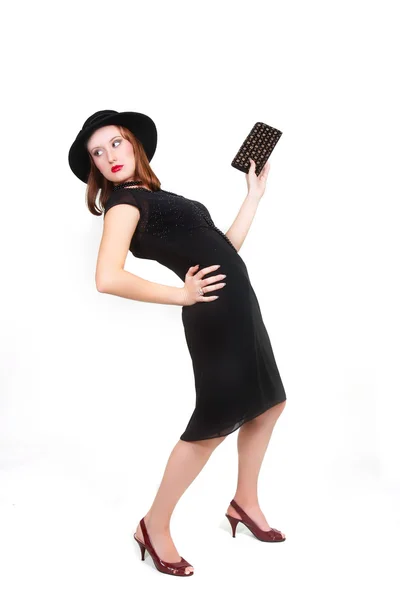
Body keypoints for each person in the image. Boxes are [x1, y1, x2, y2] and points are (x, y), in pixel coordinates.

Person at [68, 110, 287, 577]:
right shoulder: (124, 203)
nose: (109, 156)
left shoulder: (160, 195)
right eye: (97, 153)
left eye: (116, 143)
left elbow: (224, 249)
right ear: (95, 167)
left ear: (135, 145)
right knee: (213, 425)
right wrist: (181, 295)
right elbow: (107, 278)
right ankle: (153, 524)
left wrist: (253, 197)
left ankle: (244, 502)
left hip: (241, 307)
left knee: (269, 404)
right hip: (213, 317)